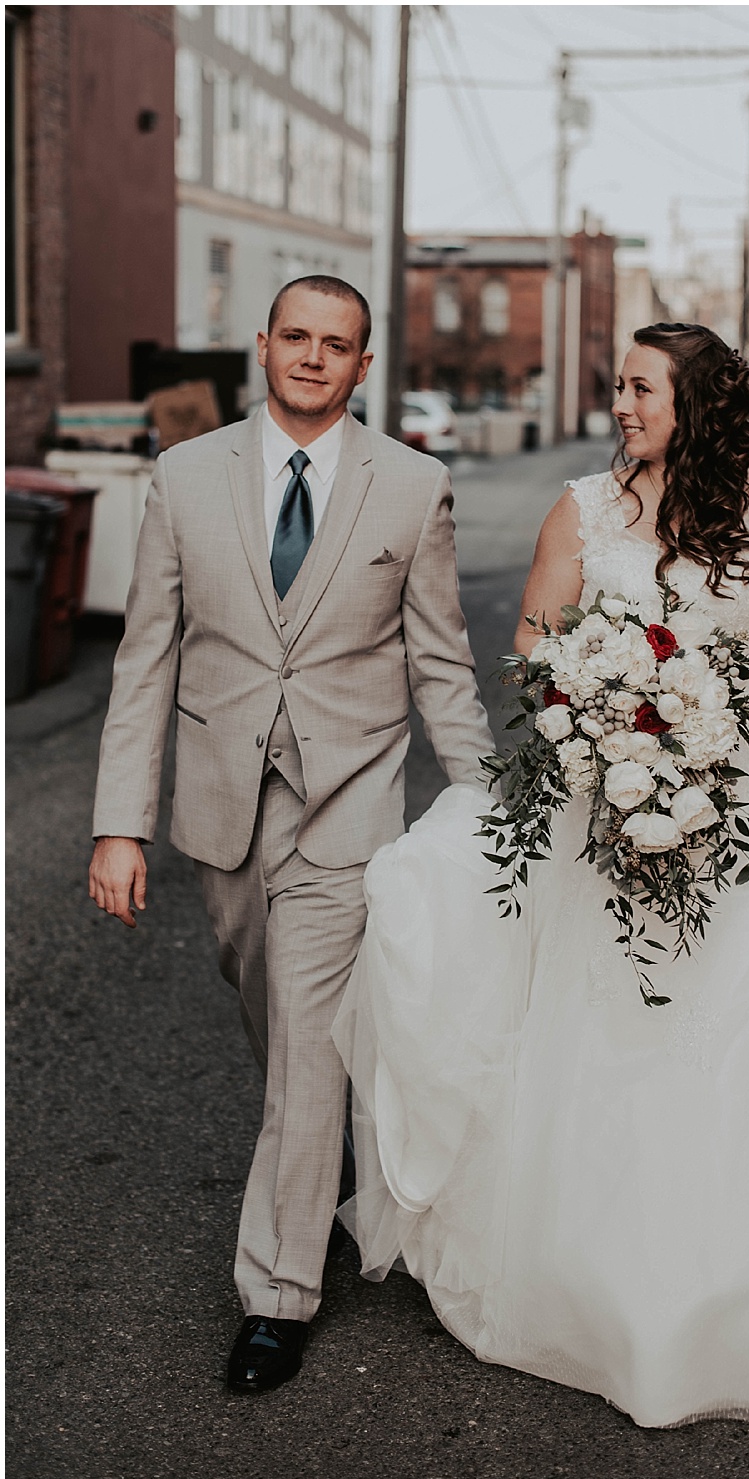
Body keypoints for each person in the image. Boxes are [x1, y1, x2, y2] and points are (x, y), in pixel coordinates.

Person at [332, 323, 749, 1428]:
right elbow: (535, 647)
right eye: (618, 385)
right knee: (599, 1027)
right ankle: (589, 1282)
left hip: (733, 813)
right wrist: (595, 722)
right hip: (603, 804)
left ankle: (732, 1294)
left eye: (639, 387)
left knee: (737, 1025)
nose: (621, 403)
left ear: (695, 401)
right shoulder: (583, 510)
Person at [87, 276, 496, 1393]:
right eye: (298, 338)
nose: (315, 358)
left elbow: (441, 664)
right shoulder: (183, 476)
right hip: (222, 805)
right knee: (275, 1022)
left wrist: (490, 811)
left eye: (340, 345)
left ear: (364, 366)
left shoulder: (412, 487)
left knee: (309, 1045)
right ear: (262, 346)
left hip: (349, 805)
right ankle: (320, 1169)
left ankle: (277, 1292)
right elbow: (146, 660)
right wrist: (119, 825)